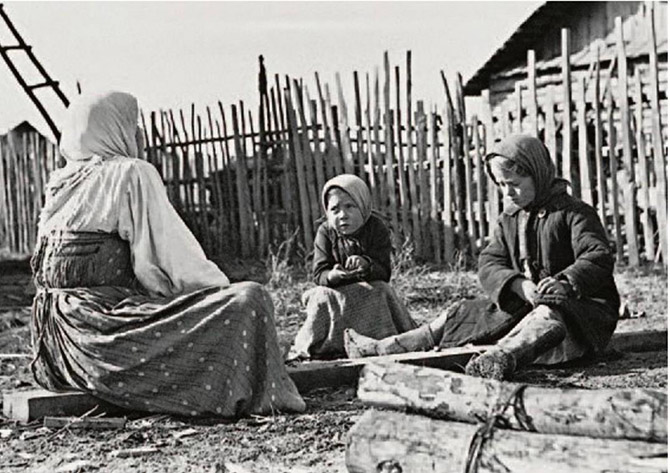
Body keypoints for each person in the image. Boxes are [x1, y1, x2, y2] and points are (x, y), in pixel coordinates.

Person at [30, 90, 305, 417]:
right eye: (133, 125)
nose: (139, 134)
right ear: (118, 128)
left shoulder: (61, 182)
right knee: (250, 299)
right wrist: (221, 293)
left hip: (54, 349)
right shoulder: (130, 173)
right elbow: (174, 265)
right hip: (100, 333)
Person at [345, 134, 620, 381]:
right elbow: (490, 262)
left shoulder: (573, 213)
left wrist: (566, 281)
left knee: (548, 316)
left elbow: (597, 255)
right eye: (501, 185)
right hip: (526, 304)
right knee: (462, 312)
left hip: (580, 313)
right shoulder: (510, 219)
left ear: (537, 174)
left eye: (514, 184)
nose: (507, 193)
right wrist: (518, 285)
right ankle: (389, 347)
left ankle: (502, 357)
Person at [287, 174, 417, 360]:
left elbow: (384, 272)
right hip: (337, 292)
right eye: (335, 209)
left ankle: (379, 337)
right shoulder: (325, 232)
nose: (342, 215)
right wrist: (332, 275)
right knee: (319, 296)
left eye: (350, 206)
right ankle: (325, 344)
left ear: (363, 205)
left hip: (367, 289)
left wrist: (366, 264)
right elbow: (319, 273)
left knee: (382, 290)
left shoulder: (376, 228)